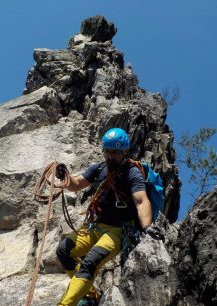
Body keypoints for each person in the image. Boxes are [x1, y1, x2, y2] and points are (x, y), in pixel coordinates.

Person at [56, 127, 157, 306]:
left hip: (117, 231)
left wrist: (148, 227)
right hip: (95, 225)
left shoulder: (132, 172)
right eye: (108, 151)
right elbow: (76, 184)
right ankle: (89, 295)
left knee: (90, 261)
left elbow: (141, 200)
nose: (111, 156)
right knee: (64, 251)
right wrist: (66, 177)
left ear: (124, 151)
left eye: (116, 152)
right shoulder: (99, 168)